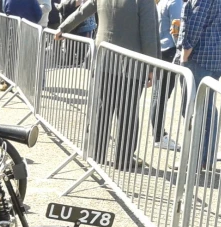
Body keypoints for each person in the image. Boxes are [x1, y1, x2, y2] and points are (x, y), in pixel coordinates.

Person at [55, 0, 160, 170]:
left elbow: (82, 11)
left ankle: (97, 152)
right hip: (131, 65)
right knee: (128, 113)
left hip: (104, 61)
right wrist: (151, 67)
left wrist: (63, 28)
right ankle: (124, 158)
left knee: (103, 108)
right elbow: (148, 34)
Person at [177, 0, 221, 166]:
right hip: (213, 58)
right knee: (207, 109)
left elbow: (194, 27)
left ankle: (195, 159)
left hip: (199, 59)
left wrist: (184, 57)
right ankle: (204, 157)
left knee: (194, 110)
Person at [149, 0, 183, 150]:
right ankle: (158, 136)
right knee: (161, 95)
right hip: (169, 51)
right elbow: (177, 30)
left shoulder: (164, 2)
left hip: (162, 49)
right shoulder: (175, 3)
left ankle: (158, 134)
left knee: (159, 95)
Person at [0, 0, 43, 90]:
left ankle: (8, 82)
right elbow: (38, 13)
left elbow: (4, 9)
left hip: (14, 28)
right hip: (29, 29)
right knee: (28, 56)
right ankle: (28, 83)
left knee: (12, 56)